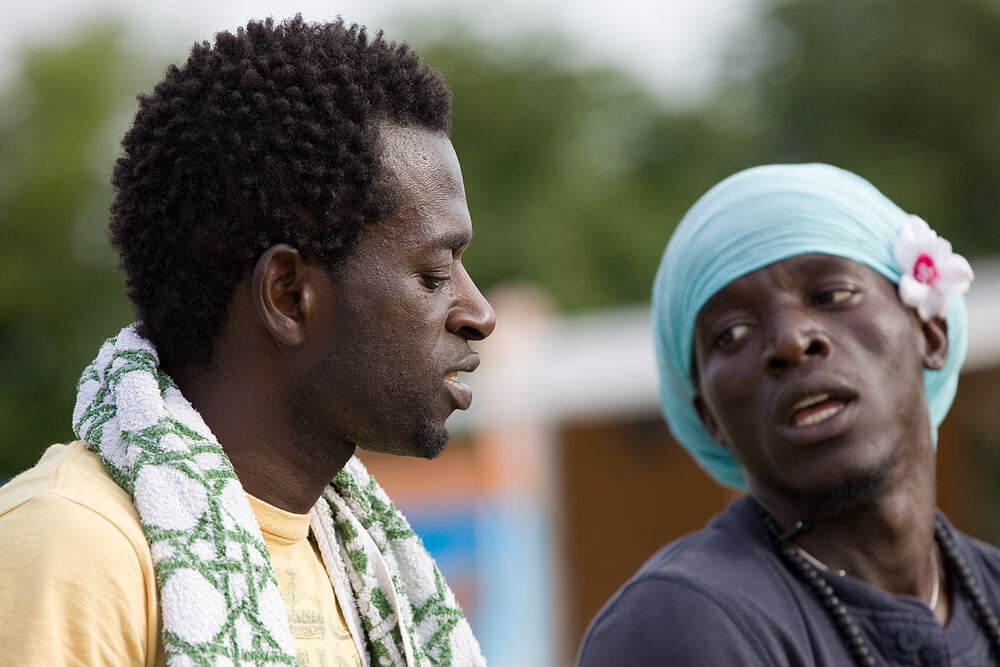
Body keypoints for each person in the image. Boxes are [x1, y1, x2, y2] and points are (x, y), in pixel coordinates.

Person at [0, 16, 494, 667]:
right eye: (434, 273)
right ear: (289, 295)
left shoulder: (361, 565)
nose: (477, 312)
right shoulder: (74, 548)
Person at [577, 163, 1000, 666]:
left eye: (831, 295)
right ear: (708, 415)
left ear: (931, 333)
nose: (790, 341)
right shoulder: (680, 624)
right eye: (730, 333)